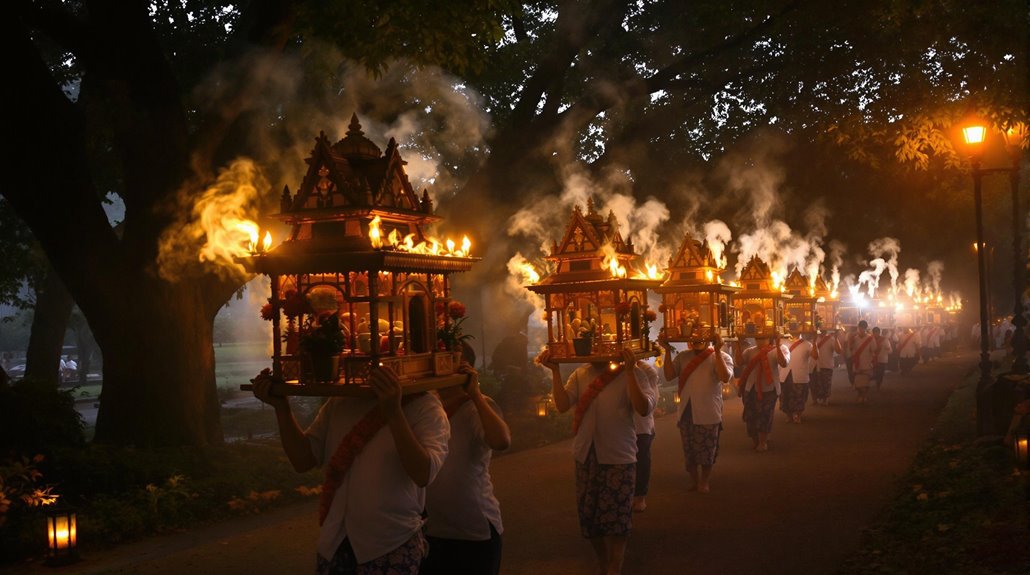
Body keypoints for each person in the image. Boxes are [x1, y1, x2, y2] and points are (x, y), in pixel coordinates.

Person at [251, 365, 449, 575]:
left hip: (389, 543)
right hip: (334, 542)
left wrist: (393, 411)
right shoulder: (341, 399)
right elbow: (303, 460)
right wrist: (282, 408)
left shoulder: (426, 407)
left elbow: (423, 473)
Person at [537, 347, 656, 575]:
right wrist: (555, 372)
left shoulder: (635, 373)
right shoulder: (581, 374)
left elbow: (643, 408)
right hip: (586, 453)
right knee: (590, 518)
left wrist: (630, 372)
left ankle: (614, 567)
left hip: (619, 454)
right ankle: (604, 563)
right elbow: (562, 405)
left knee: (617, 519)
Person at [421, 363, 511, 575]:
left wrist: (476, 394)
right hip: (433, 529)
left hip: (475, 530)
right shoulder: (427, 407)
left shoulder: (476, 406)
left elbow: (501, 441)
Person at [659, 331, 733, 493]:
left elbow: (725, 377)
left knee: (707, 449)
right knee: (689, 449)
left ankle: (704, 481)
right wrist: (666, 351)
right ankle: (694, 480)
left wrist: (719, 351)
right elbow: (669, 375)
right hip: (686, 409)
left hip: (708, 410)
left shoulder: (722, 356)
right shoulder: (683, 356)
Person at [738, 334, 789, 452]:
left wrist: (777, 345)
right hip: (750, 388)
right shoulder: (749, 351)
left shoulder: (779, 349)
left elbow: (784, 363)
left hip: (769, 389)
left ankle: (763, 441)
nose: (759, 341)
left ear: (769, 338)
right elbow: (739, 362)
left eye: (762, 338)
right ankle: (757, 440)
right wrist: (737, 344)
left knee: (765, 415)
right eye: (757, 338)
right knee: (751, 416)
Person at [631, 358, 660, 511]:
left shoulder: (646, 371)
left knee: (641, 460)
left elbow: (651, 399)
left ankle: (640, 496)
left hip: (642, 423)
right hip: (620, 424)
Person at [779, 332, 817, 423]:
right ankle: (789, 416)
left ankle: (798, 415)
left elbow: (815, 356)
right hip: (785, 374)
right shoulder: (782, 342)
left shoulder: (807, 344)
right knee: (785, 396)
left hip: (800, 375)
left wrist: (815, 341)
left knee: (800, 397)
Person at [812, 329, 842, 405]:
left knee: (826, 383)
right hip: (814, 365)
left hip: (826, 365)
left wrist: (836, 338)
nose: (822, 332)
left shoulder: (831, 339)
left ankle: (825, 398)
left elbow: (838, 350)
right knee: (814, 383)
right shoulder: (814, 338)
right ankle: (816, 398)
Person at [851, 320, 877, 404]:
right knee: (858, 383)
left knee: (865, 382)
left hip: (867, 363)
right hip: (857, 364)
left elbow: (874, 349)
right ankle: (860, 395)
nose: (861, 330)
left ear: (865, 329)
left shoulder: (870, 339)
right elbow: (851, 349)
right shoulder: (854, 338)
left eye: (862, 328)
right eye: (859, 328)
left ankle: (864, 396)